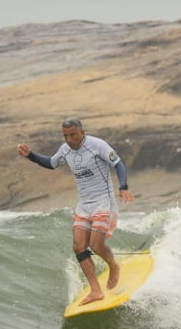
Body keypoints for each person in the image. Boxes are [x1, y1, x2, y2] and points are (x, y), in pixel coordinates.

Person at [17, 117, 134, 305]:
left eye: (72, 135)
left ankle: (113, 266)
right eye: (65, 136)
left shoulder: (98, 145)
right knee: (79, 247)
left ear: (82, 132)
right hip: (85, 204)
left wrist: (124, 186)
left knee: (96, 245)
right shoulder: (65, 150)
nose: (69, 139)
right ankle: (96, 290)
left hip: (104, 201)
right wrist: (31, 155)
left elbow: (118, 164)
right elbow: (51, 163)